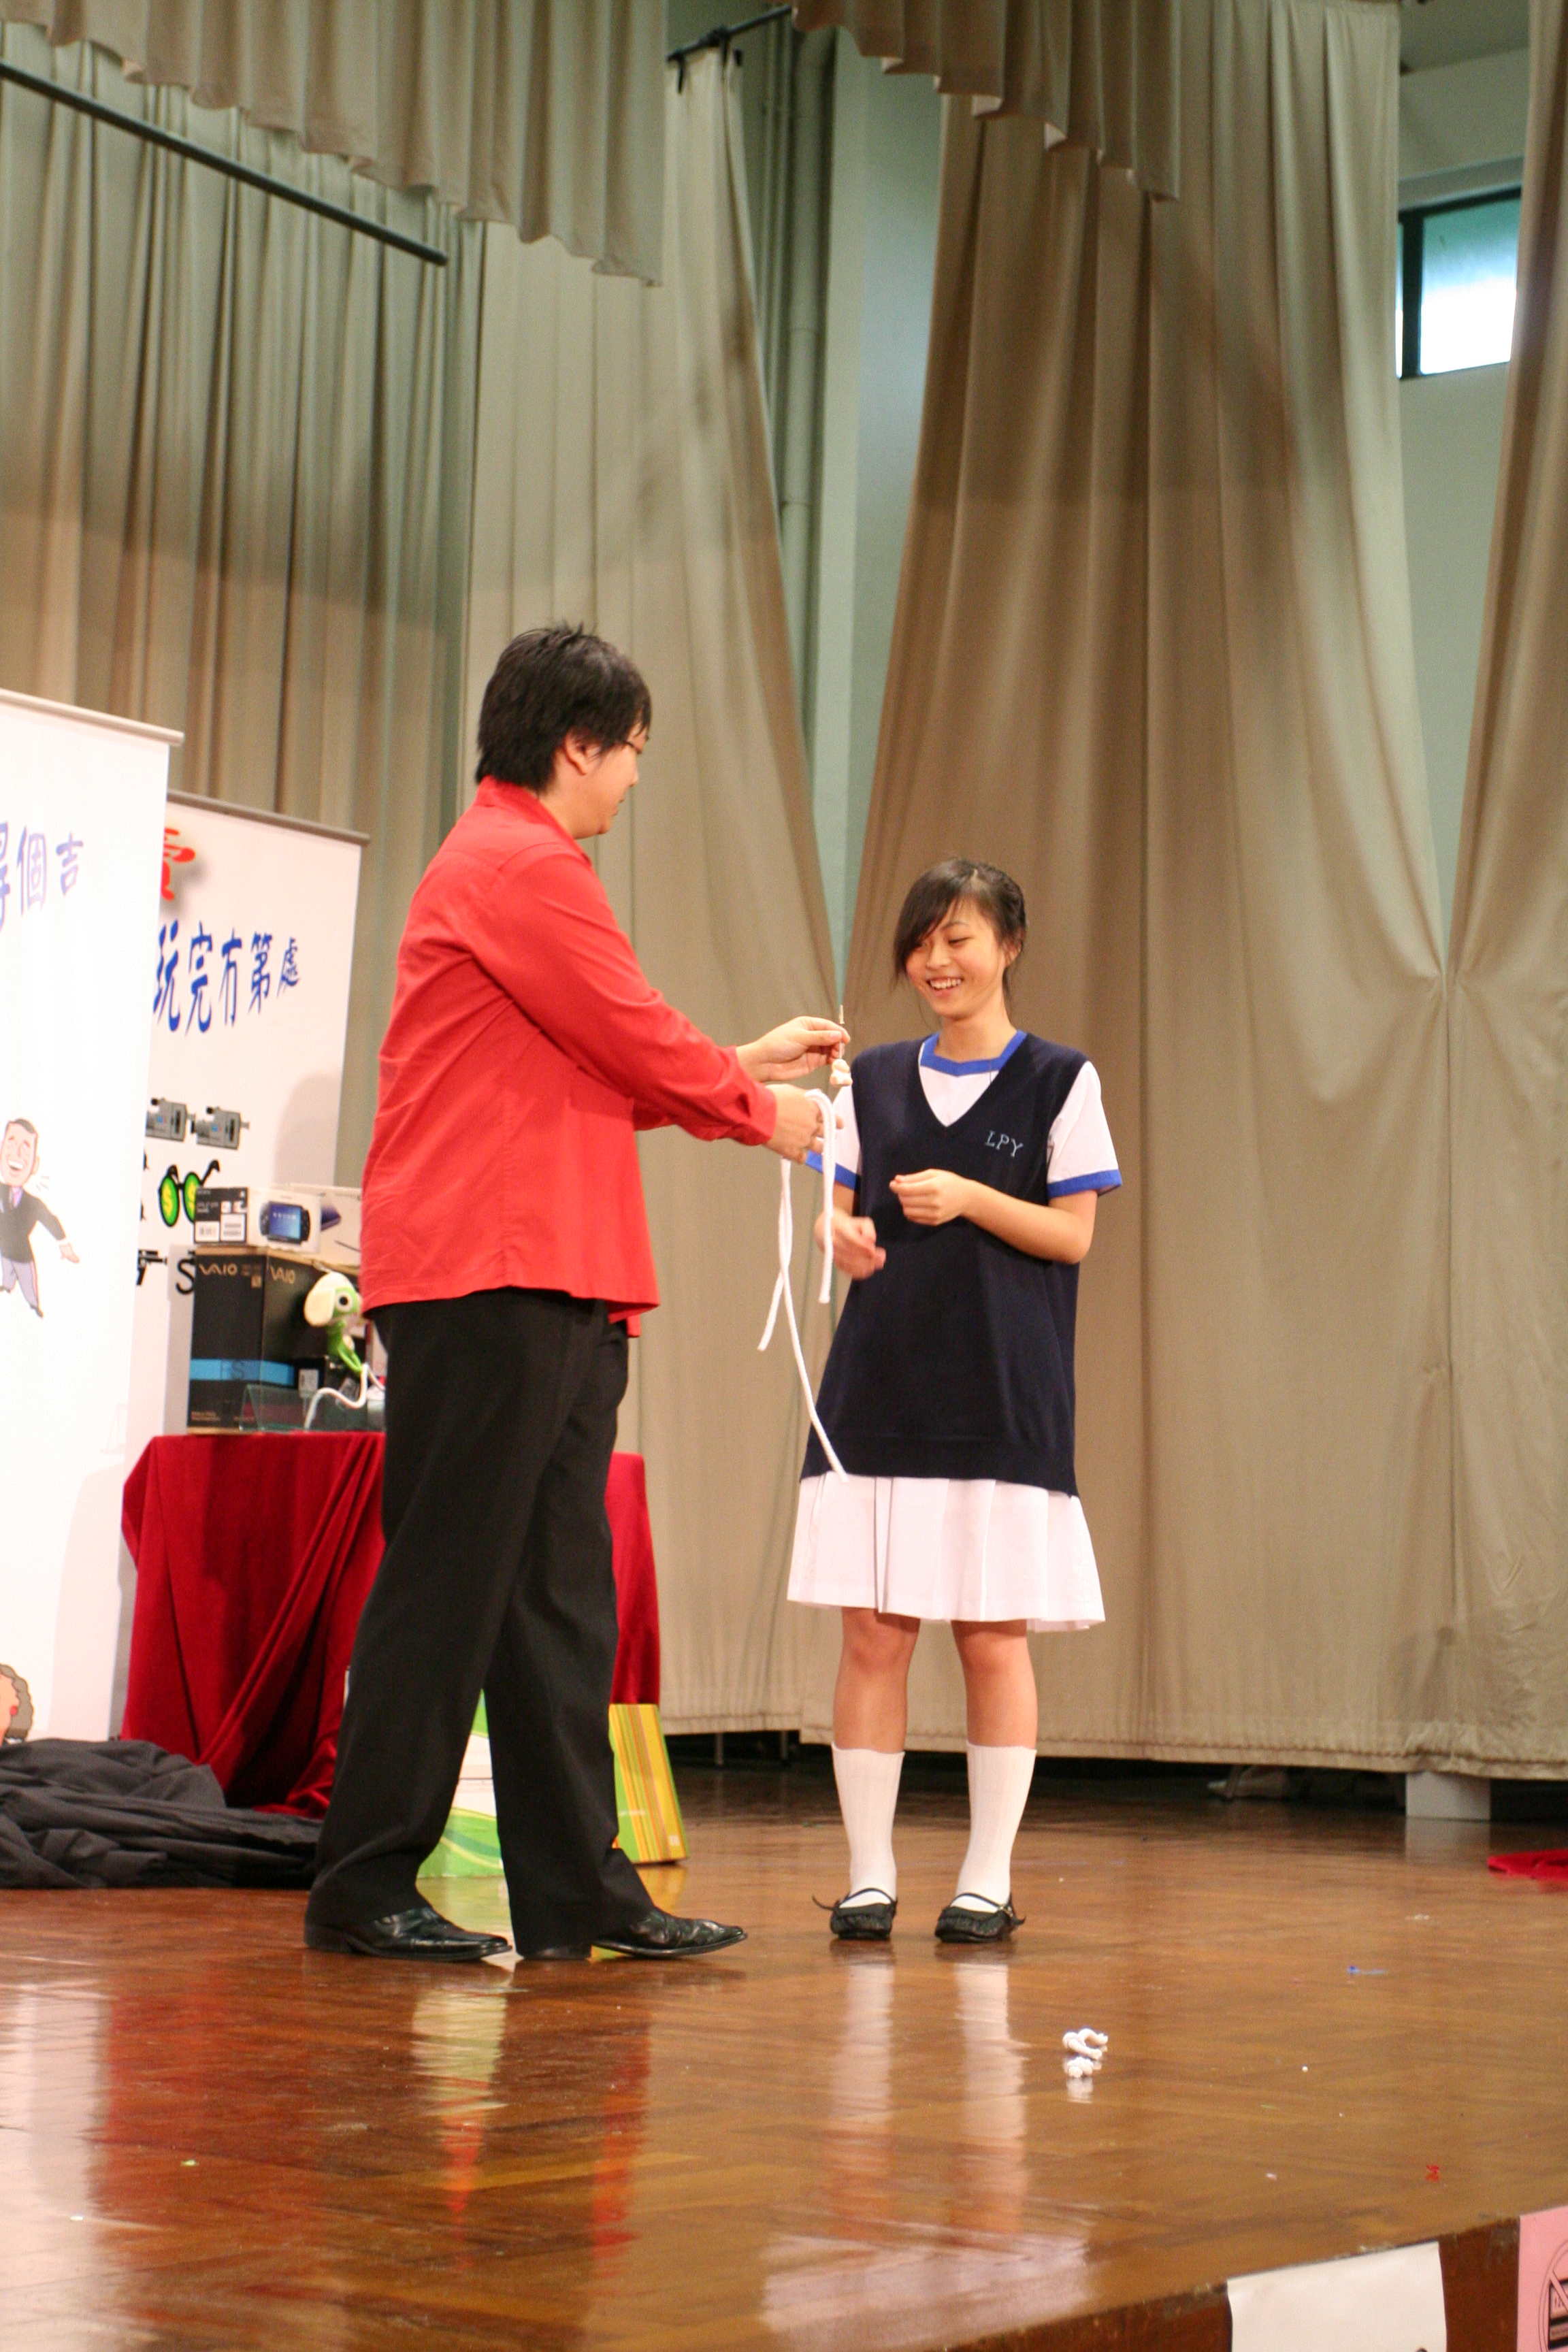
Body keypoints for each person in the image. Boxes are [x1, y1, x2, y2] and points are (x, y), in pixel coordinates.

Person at [305, 624, 839, 1965]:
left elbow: (593, 1064)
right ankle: (363, 1882)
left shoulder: (512, 866)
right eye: (633, 752)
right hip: (494, 1269)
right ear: (577, 745)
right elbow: (631, 1036)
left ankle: (575, 1890)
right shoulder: (519, 863)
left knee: (553, 1603)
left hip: (551, 1272)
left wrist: (736, 1065)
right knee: (450, 1584)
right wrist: (762, 1112)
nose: (636, 778)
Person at [788, 860, 1120, 1944]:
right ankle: (869, 1874)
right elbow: (834, 1211)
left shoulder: (1061, 1080)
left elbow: (1072, 1235)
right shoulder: (874, 1081)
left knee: (991, 1634)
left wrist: (974, 1197)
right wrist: (838, 1234)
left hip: (1002, 1393)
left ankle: (987, 1876)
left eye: (960, 938)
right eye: (923, 941)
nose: (937, 960)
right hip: (877, 1390)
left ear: (1009, 946)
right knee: (873, 1637)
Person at [0, 1119, 78, 1316]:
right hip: (4, 1248)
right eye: (10, 1144)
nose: (16, 1154)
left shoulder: (33, 1204)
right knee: (7, 1270)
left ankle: (34, 1305)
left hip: (22, 1254)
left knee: (27, 1280)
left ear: (34, 1165)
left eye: (25, 1149)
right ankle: (7, 1286)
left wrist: (64, 1243)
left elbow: (50, 1220)